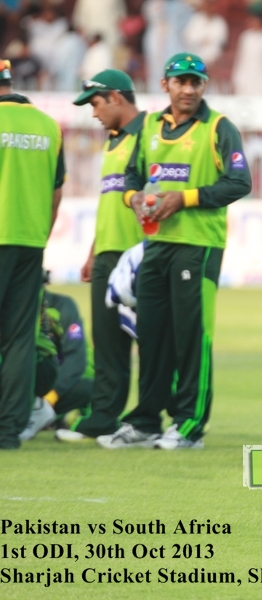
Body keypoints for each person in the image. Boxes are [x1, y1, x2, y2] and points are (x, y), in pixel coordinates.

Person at [98, 52, 252, 450]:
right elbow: (131, 176)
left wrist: (182, 199)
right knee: (151, 337)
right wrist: (133, 199)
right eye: (180, 81)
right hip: (157, 245)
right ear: (165, 85)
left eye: (195, 82)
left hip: (197, 246)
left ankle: (189, 424)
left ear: (204, 86)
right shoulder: (149, 125)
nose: (188, 89)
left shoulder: (219, 128)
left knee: (191, 338)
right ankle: (146, 420)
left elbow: (239, 183)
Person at [57, 70, 145, 443]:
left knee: (154, 343)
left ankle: (156, 418)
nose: (93, 113)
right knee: (108, 343)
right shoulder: (112, 141)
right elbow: (110, 202)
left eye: (94, 103)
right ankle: (104, 418)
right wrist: (95, 251)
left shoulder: (151, 133)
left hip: (140, 255)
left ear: (114, 97)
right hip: (109, 253)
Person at [0, 58, 66, 450]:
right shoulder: (47, 126)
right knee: (20, 339)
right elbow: (56, 194)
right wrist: (39, 234)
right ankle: (8, 431)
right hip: (30, 241)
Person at [21, 280, 95, 441]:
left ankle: (42, 412)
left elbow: (76, 358)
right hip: (24, 385)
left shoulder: (62, 306)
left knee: (88, 387)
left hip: (58, 384)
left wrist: (51, 397)